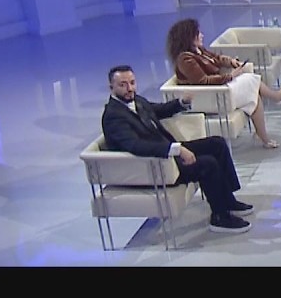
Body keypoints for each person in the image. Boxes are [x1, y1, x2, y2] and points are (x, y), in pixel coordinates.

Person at [101, 64, 254, 234]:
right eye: (123, 85)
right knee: (208, 164)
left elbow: (157, 110)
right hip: (157, 164)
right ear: (111, 87)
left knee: (217, 144)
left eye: (132, 82)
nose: (130, 88)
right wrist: (176, 149)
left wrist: (182, 103)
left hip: (168, 152)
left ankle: (228, 200)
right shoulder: (113, 117)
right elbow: (136, 146)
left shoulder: (136, 100)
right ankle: (220, 217)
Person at [166, 18, 281, 148]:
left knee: (254, 96)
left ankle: (264, 137)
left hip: (220, 88)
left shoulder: (198, 50)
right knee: (250, 80)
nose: (202, 35)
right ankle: (276, 97)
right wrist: (230, 76)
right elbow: (203, 81)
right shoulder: (185, 59)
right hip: (213, 95)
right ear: (189, 37)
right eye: (198, 33)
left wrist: (231, 62)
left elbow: (216, 58)